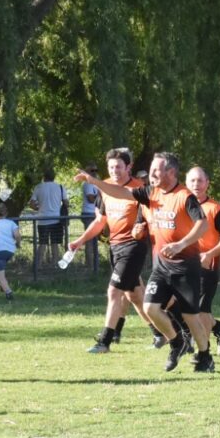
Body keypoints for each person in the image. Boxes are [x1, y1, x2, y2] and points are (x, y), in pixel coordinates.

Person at [78, 152, 216, 372]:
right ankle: (177, 342)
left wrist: (180, 244)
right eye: (151, 170)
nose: (151, 174)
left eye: (156, 170)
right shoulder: (151, 192)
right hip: (161, 266)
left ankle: (205, 356)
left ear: (171, 172)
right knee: (150, 307)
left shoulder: (184, 196)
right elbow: (122, 192)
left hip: (185, 266)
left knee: (191, 316)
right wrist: (93, 181)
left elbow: (202, 225)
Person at [68, 149, 150, 353]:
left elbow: (147, 220)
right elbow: (100, 221)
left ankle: (104, 341)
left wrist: (142, 229)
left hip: (133, 246)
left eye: (118, 167)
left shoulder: (139, 189)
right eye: (111, 167)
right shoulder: (105, 187)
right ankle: (166, 333)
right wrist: (80, 240)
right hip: (115, 246)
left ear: (129, 167)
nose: (114, 171)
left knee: (114, 291)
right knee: (135, 295)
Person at [186, 166, 220, 355]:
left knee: (201, 310)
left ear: (207, 183)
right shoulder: (180, 206)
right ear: (186, 182)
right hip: (182, 264)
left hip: (206, 266)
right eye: (192, 180)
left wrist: (209, 254)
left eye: (200, 180)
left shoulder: (216, 209)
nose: (196, 184)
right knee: (180, 307)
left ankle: (202, 354)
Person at [29, 168, 68, 266]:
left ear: (44, 177)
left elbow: (32, 204)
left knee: (42, 244)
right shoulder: (60, 187)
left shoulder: (38, 187)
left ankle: (38, 266)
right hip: (57, 220)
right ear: (54, 177)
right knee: (55, 244)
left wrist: (38, 208)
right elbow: (66, 203)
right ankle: (55, 265)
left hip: (42, 220)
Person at [0, 202, 21, 300]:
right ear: (6, 213)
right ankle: (2, 286)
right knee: (1, 269)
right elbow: (17, 235)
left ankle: (8, 293)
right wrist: (18, 244)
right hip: (10, 251)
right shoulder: (11, 223)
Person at [80, 162, 101, 267]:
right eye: (92, 170)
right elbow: (91, 199)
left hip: (95, 214)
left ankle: (95, 264)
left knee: (95, 240)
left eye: (96, 170)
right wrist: (101, 195)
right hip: (88, 214)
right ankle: (90, 265)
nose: (94, 172)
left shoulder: (95, 183)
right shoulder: (88, 183)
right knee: (89, 240)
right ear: (87, 172)